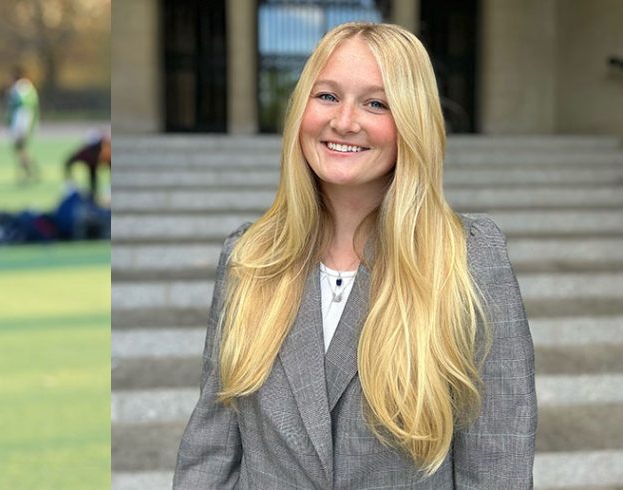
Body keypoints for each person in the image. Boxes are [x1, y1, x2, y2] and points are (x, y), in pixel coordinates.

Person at [174, 22, 535, 488]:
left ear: (412, 121)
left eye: (376, 103)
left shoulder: (468, 259)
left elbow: (498, 464)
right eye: (326, 96)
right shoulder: (250, 257)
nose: (344, 122)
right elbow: (210, 452)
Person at [6, 66, 39, 183]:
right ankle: (28, 170)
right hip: (27, 122)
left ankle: (28, 170)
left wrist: (13, 125)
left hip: (20, 123)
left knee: (19, 148)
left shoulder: (19, 88)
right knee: (22, 148)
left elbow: (21, 109)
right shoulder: (30, 88)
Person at [63, 130, 110, 204]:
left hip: (96, 163)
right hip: (91, 164)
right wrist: (70, 183)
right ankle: (92, 198)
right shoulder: (85, 153)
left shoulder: (107, 151)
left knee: (93, 177)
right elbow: (68, 162)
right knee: (93, 178)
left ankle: (93, 197)